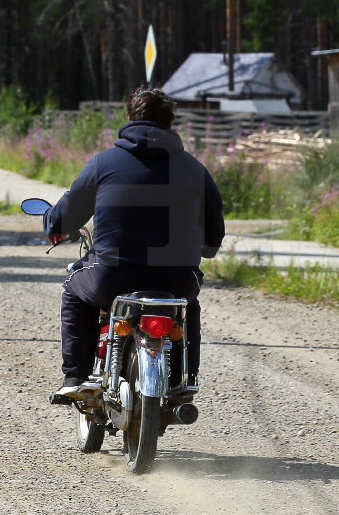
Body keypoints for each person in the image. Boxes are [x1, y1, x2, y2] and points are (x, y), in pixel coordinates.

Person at [43, 87, 225, 400]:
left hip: (114, 276)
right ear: (171, 123)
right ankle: (186, 378)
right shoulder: (196, 170)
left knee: (74, 285)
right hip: (178, 279)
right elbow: (213, 236)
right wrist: (205, 250)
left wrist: (54, 226)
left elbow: (65, 215)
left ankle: (76, 376)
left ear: (129, 119)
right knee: (186, 303)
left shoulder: (103, 163)